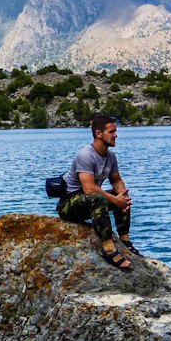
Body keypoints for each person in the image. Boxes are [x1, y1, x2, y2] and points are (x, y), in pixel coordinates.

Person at [57, 114, 140, 269]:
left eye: (115, 131)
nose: (116, 135)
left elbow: (116, 181)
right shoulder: (86, 155)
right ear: (98, 134)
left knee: (120, 195)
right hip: (69, 205)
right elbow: (89, 189)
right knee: (99, 198)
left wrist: (123, 199)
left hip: (89, 201)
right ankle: (108, 248)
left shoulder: (110, 157)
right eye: (111, 132)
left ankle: (124, 239)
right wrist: (115, 201)